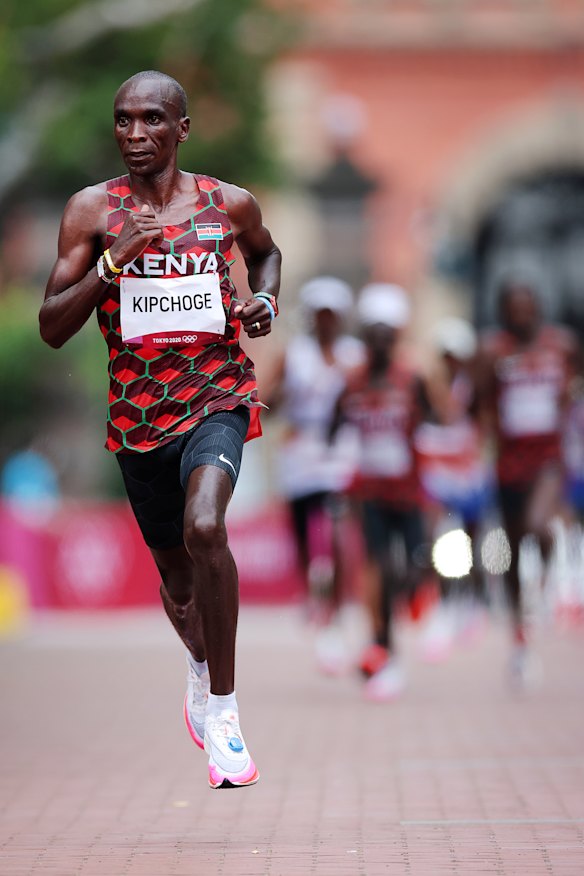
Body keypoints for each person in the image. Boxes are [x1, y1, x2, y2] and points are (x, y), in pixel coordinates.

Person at [39, 70, 281, 788]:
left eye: (151, 120)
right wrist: (113, 265)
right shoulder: (91, 212)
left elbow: (265, 253)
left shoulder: (226, 204)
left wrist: (264, 296)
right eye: (122, 121)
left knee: (207, 528)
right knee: (179, 585)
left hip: (218, 396)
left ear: (182, 129)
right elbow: (52, 326)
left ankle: (229, 716)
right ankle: (202, 669)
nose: (134, 135)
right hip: (139, 420)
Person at [334, 283, 438, 701]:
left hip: (409, 494)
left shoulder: (412, 380)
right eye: (371, 335)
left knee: (415, 567)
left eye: (386, 335)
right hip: (370, 494)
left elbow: (438, 423)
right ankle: (384, 649)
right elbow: (333, 429)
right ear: (364, 339)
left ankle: (418, 606)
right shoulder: (352, 383)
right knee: (380, 568)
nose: (378, 343)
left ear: (395, 339)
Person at [477, 282, 578, 684]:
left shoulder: (562, 345)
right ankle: (520, 636)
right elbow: (477, 402)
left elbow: (574, 386)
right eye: (513, 310)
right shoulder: (492, 352)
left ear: (538, 308)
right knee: (516, 548)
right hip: (509, 462)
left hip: (549, 458)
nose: (521, 316)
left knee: (540, 527)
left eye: (527, 308)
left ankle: (551, 581)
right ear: (504, 312)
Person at [268, 276, 364, 674]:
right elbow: (268, 400)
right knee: (306, 537)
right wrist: (285, 394)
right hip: (300, 452)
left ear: (340, 318)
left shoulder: (354, 356)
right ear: (311, 317)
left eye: (331, 315)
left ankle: (336, 611)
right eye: (319, 315)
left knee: (339, 533)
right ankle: (314, 591)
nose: (325, 322)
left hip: (340, 451)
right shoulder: (293, 355)